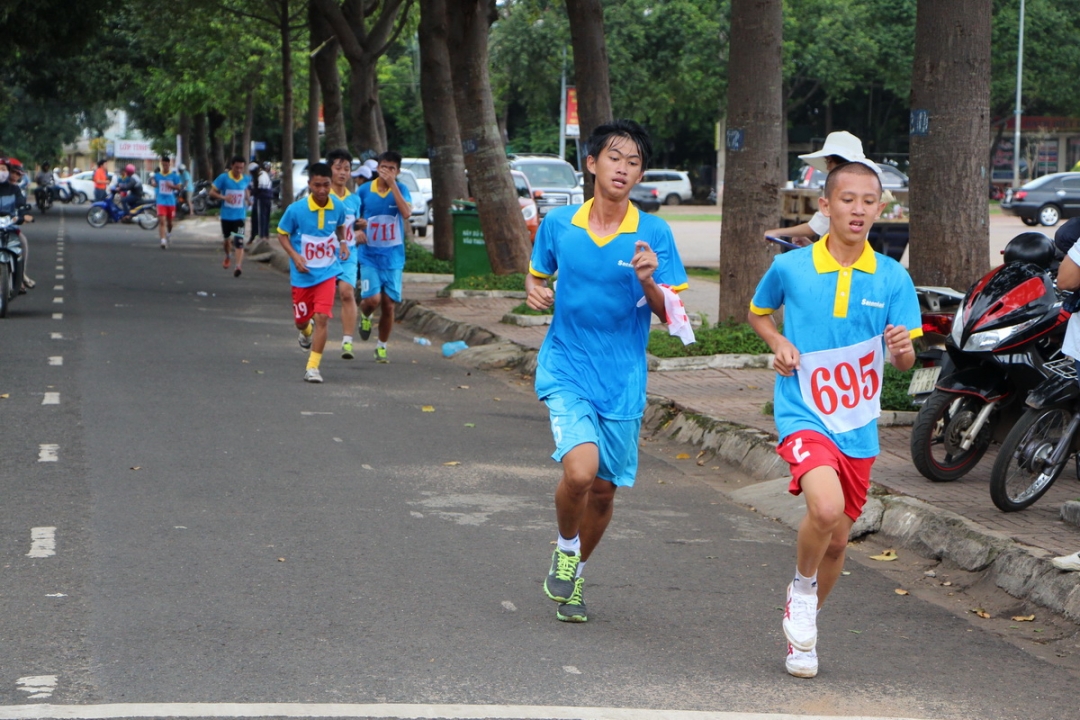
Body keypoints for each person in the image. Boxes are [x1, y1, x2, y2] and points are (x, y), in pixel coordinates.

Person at [747, 160, 922, 679]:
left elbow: (907, 359)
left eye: (870, 200)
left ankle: (805, 634)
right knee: (823, 511)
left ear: (881, 208)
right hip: (803, 410)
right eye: (848, 199)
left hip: (857, 424)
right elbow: (758, 312)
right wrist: (779, 343)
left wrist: (901, 350)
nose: (859, 209)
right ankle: (801, 592)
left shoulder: (892, 277)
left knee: (840, 539)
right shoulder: (791, 268)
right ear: (826, 206)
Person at [528, 119, 688, 623]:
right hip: (567, 366)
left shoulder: (654, 233)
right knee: (580, 471)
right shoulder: (559, 225)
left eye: (634, 161)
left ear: (640, 174)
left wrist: (649, 283)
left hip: (621, 379)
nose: (623, 167)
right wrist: (532, 292)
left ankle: (574, 575)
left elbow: (675, 317)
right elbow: (537, 277)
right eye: (614, 157)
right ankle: (564, 546)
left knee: (603, 489)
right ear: (592, 163)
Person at [276, 162, 348, 383]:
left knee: (322, 317)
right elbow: (282, 234)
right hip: (303, 274)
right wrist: (295, 256)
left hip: (327, 271)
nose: (322, 190)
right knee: (301, 320)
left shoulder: (337, 206)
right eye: (317, 185)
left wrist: (343, 243)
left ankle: (313, 367)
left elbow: (341, 225)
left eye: (326, 185)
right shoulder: (296, 210)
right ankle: (305, 331)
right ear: (309, 185)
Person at [764, 131, 876, 246]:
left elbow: (814, 227)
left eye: (829, 161)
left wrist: (777, 232)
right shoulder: (858, 188)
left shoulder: (840, 192)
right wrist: (811, 246)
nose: (827, 167)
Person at [355, 151, 412, 363]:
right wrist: (357, 228)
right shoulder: (363, 191)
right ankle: (366, 314)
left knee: (388, 304)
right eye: (383, 167)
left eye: (392, 168)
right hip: (369, 254)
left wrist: (393, 186)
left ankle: (381, 346)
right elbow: (352, 217)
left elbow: (406, 213)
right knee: (373, 299)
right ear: (377, 168)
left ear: (397, 171)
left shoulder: (402, 189)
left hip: (393, 257)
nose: (387, 172)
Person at [325, 148, 364, 360]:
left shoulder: (354, 200)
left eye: (347, 169)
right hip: (325, 255)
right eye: (338, 168)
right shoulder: (322, 196)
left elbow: (355, 225)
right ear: (330, 169)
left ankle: (347, 341)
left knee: (347, 292)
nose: (342, 172)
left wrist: (360, 228)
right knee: (324, 296)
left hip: (348, 253)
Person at [210, 156, 252, 277]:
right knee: (227, 241)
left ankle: (238, 266)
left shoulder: (245, 179)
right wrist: (224, 198)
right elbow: (212, 192)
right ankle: (228, 255)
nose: (239, 170)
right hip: (226, 216)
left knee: (239, 240)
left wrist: (248, 199)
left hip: (240, 216)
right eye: (237, 167)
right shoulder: (224, 178)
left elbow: (245, 190)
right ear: (232, 166)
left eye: (241, 168)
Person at [151, 156, 181, 249]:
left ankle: (169, 233)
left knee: (170, 222)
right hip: (161, 201)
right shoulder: (157, 175)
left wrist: (172, 186)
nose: (165, 166)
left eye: (166, 165)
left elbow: (179, 187)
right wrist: (153, 183)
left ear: (169, 164)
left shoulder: (174, 176)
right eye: (163, 165)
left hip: (171, 201)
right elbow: (153, 182)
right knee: (162, 221)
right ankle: (163, 241)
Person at [250, 161, 273, 247]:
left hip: (261, 198)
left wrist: (252, 192)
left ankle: (262, 236)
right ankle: (266, 236)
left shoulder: (260, 175)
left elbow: (260, 188)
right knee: (266, 217)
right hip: (268, 198)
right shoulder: (265, 174)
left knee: (261, 218)